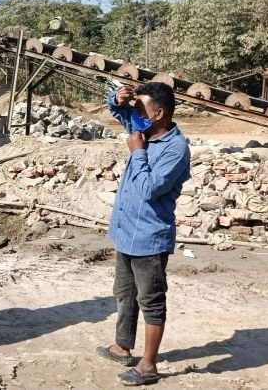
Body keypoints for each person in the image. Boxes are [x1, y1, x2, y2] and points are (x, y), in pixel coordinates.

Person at [96, 81, 191, 386]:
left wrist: (138, 153)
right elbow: (117, 111)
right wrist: (118, 98)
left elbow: (150, 189)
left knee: (151, 301)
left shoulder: (175, 148)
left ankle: (148, 365)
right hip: (126, 234)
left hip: (149, 239)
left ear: (158, 112)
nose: (134, 112)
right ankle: (122, 347)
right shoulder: (144, 130)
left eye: (140, 107)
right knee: (125, 294)